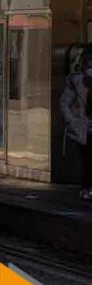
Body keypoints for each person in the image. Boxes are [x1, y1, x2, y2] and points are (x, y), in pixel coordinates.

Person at [58, 46, 92, 201]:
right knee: (88, 159)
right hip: (83, 128)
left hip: (83, 126)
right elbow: (64, 103)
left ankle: (87, 188)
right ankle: (86, 188)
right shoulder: (76, 81)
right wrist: (72, 121)